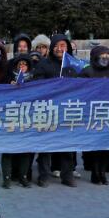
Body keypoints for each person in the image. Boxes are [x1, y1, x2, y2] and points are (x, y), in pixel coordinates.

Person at [31, 34, 79, 187]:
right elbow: (36, 84)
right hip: (48, 110)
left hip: (67, 110)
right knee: (46, 146)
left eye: (63, 45)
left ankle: (67, 175)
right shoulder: (44, 64)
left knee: (67, 145)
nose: (60, 49)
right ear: (52, 47)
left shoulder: (73, 65)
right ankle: (43, 175)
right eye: (57, 45)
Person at [79, 46, 109, 185]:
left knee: (106, 146)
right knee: (96, 146)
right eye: (102, 56)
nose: (105, 58)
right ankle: (95, 173)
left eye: (107, 56)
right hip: (92, 113)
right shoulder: (87, 72)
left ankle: (103, 172)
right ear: (95, 57)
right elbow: (80, 91)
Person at [0, 54, 35, 188]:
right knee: (7, 149)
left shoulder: (34, 80)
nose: (22, 67)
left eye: (24, 65)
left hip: (27, 117)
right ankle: (7, 178)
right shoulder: (7, 78)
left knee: (25, 150)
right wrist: (9, 87)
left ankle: (23, 177)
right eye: (19, 65)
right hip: (10, 117)